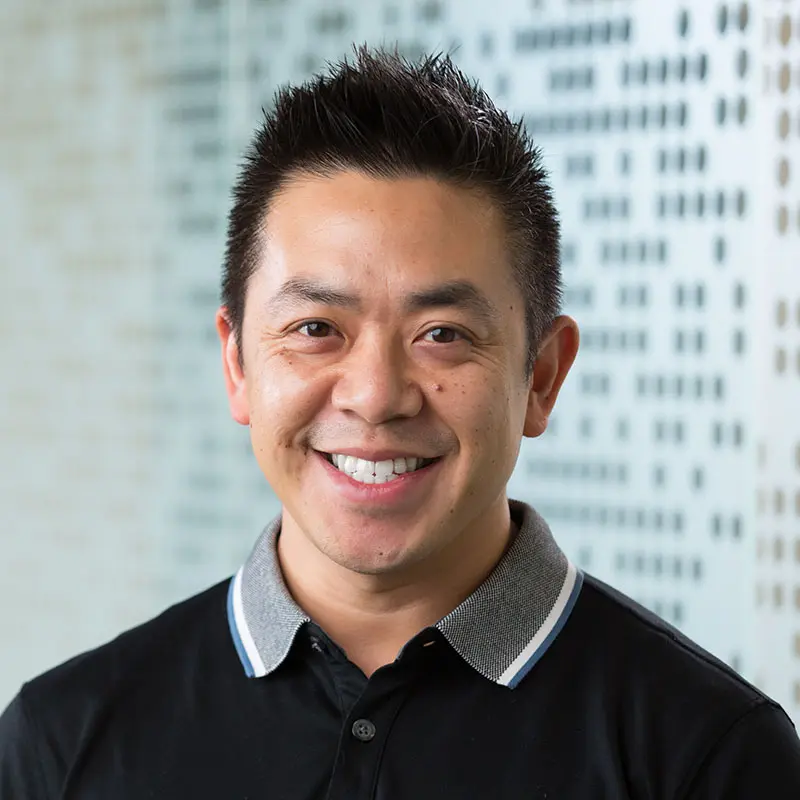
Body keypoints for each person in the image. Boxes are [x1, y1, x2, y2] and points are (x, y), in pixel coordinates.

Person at [2, 46, 799, 799]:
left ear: (543, 377)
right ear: (238, 365)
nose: (377, 395)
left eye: (442, 335)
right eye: (317, 328)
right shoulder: (62, 744)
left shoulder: (710, 757)